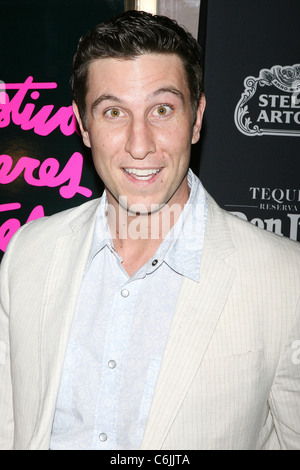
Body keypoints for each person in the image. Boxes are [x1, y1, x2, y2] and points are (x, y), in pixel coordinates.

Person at [0, 10, 300, 451]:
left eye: (162, 109)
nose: (140, 145)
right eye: (113, 111)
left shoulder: (284, 279)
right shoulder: (27, 253)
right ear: (83, 125)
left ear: (196, 118)